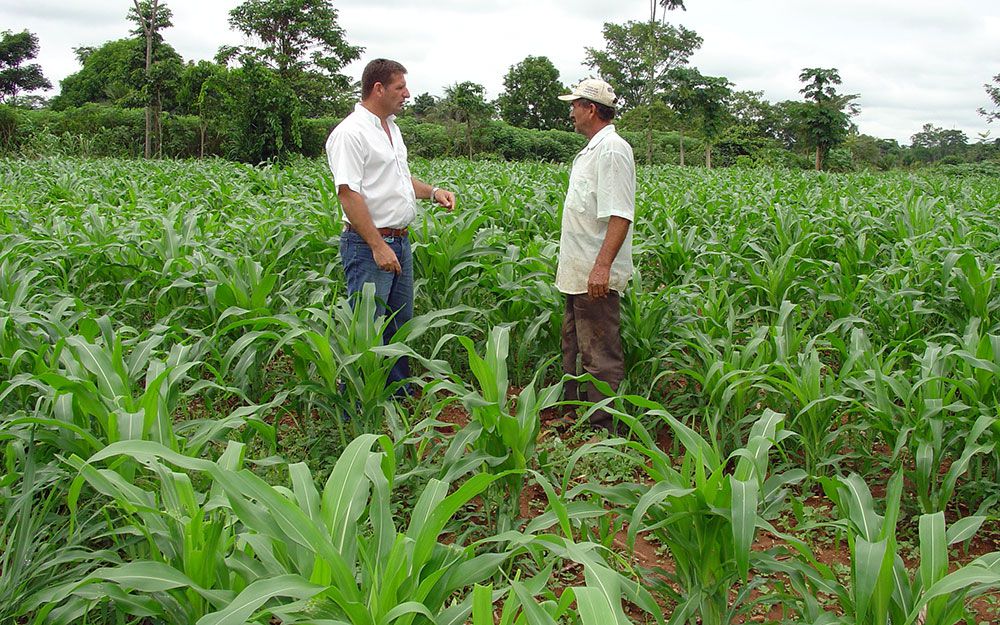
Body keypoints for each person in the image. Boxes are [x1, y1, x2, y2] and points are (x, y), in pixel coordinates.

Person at [325, 58, 455, 395]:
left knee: (399, 325)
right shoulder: (351, 133)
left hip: (399, 241)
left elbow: (398, 178)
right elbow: (348, 194)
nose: (407, 94)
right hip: (370, 246)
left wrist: (434, 192)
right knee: (366, 328)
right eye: (400, 87)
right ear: (378, 88)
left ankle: (398, 397)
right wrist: (377, 245)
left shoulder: (391, 128)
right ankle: (355, 405)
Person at [555, 78, 636, 431]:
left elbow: (620, 214)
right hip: (578, 273)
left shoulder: (613, 150)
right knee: (574, 347)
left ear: (590, 109)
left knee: (600, 354)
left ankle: (603, 429)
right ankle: (575, 415)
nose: (571, 111)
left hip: (594, 275)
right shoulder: (592, 150)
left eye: (575, 105)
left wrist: (601, 267)